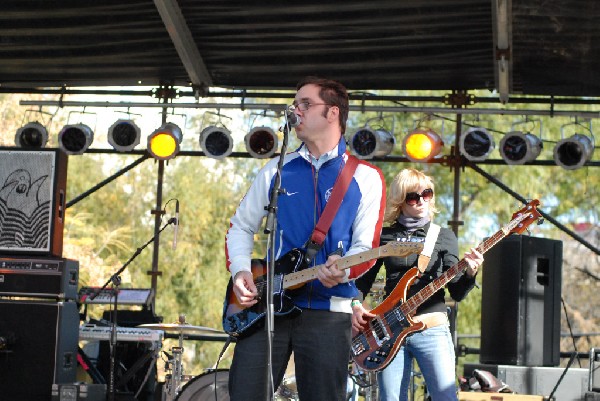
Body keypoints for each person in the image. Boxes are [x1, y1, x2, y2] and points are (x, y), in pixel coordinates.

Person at [225, 76, 386, 401]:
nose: (294, 110)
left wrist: (343, 270)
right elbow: (240, 227)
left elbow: (366, 249)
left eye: (305, 104)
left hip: (330, 311)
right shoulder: (275, 169)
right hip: (267, 306)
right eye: (294, 104)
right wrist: (241, 270)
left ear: (333, 113)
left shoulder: (366, 177)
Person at [351, 168, 484, 401]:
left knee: (445, 397)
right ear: (401, 201)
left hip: (432, 328)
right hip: (389, 330)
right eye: (413, 197)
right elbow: (363, 280)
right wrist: (354, 305)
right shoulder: (385, 236)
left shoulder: (443, 236)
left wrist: (471, 272)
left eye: (427, 194)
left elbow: (457, 291)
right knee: (390, 398)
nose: (421, 200)